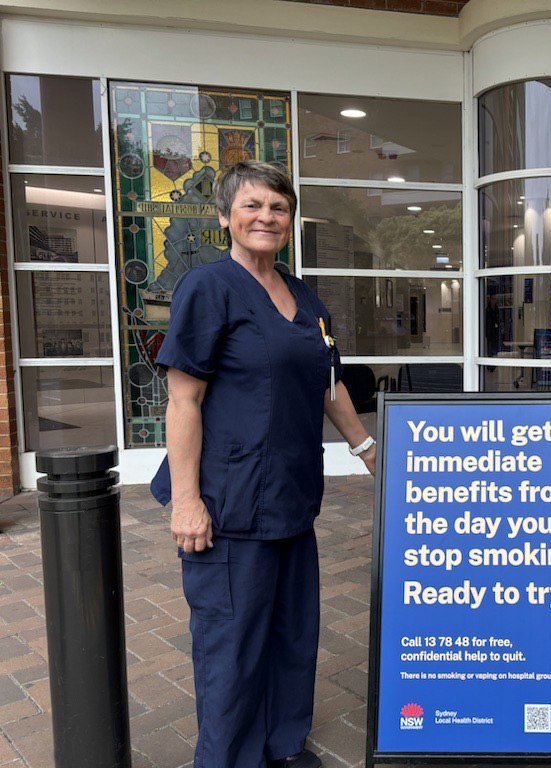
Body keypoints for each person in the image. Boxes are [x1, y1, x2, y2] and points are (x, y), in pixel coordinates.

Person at [149, 161, 376, 768]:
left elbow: (330, 385)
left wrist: (369, 451)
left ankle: (282, 746)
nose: (266, 218)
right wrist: (189, 500)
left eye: (278, 208)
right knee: (232, 646)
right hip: (229, 503)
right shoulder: (208, 286)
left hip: (291, 500)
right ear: (226, 216)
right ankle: (226, 759)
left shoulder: (304, 296)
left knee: (291, 636)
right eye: (252, 206)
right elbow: (183, 398)